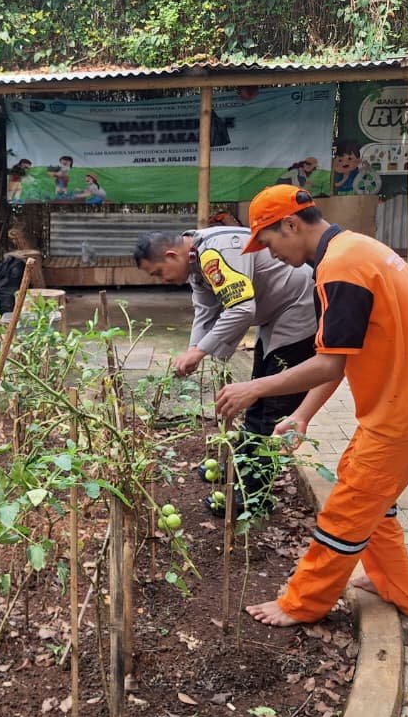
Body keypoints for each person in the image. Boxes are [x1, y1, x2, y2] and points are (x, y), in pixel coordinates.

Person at [215, 185, 408, 626]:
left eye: (268, 242)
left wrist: (256, 387)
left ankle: (302, 603)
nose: (270, 254)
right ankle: (394, 585)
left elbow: (328, 363)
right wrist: (301, 415)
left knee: (350, 505)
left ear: (290, 225)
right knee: (362, 486)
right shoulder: (354, 249)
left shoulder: (340, 267)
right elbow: (340, 357)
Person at [133, 221, 318, 516]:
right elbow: (205, 310)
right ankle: (242, 467)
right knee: (257, 398)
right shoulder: (196, 260)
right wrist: (193, 350)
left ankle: (255, 497)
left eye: (158, 272)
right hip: (276, 314)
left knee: (273, 408)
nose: (162, 279)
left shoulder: (213, 252)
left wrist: (201, 350)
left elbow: (242, 308)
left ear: (171, 255)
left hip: (298, 308)